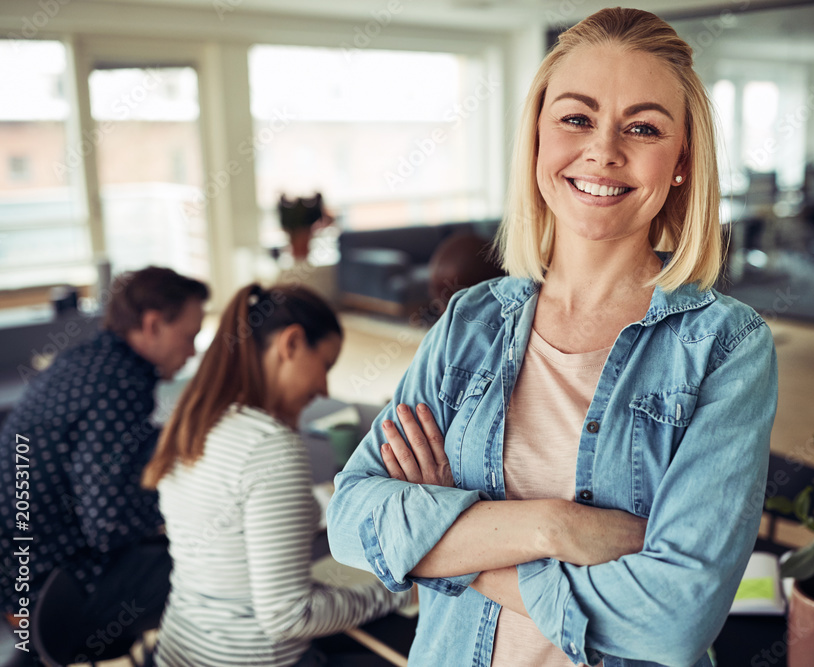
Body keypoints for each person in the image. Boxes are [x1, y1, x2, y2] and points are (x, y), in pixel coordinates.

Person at [327, 8, 778, 667]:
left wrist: (447, 545)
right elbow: (352, 520)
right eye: (576, 117)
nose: (604, 149)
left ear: (682, 159)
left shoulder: (726, 348)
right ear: (538, 135)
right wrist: (554, 526)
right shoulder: (469, 322)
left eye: (643, 127)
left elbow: (675, 619)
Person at [142, 283, 411, 667]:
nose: (324, 388)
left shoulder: (193, 421)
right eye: (325, 365)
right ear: (292, 343)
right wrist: (397, 594)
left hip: (177, 652)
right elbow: (289, 615)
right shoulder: (269, 446)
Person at [0, 266, 208, 643]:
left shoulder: (85, 360)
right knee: (215, 565)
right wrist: (189, 504)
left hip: (18, 576)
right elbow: (108, 525)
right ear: (153, 324)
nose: (192, 351)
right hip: (45, 597)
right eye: (189, 336)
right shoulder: (119, 384)